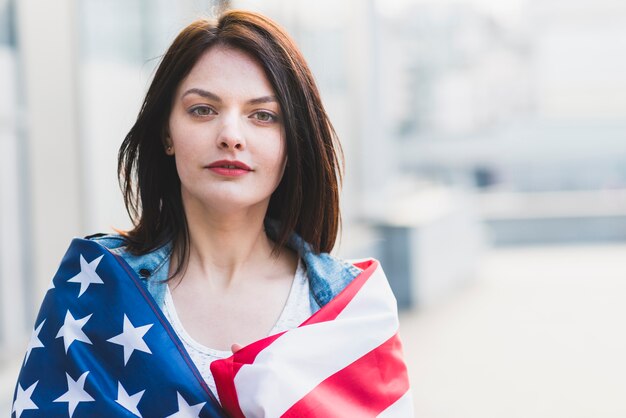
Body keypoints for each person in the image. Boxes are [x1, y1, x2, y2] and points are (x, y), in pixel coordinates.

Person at [12, 10, 413, 418]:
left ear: (293, 142)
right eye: (203, 110)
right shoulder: (95, 293)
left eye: (263, 115)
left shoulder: (349, 311)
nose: (231, 136)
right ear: (167, 133)